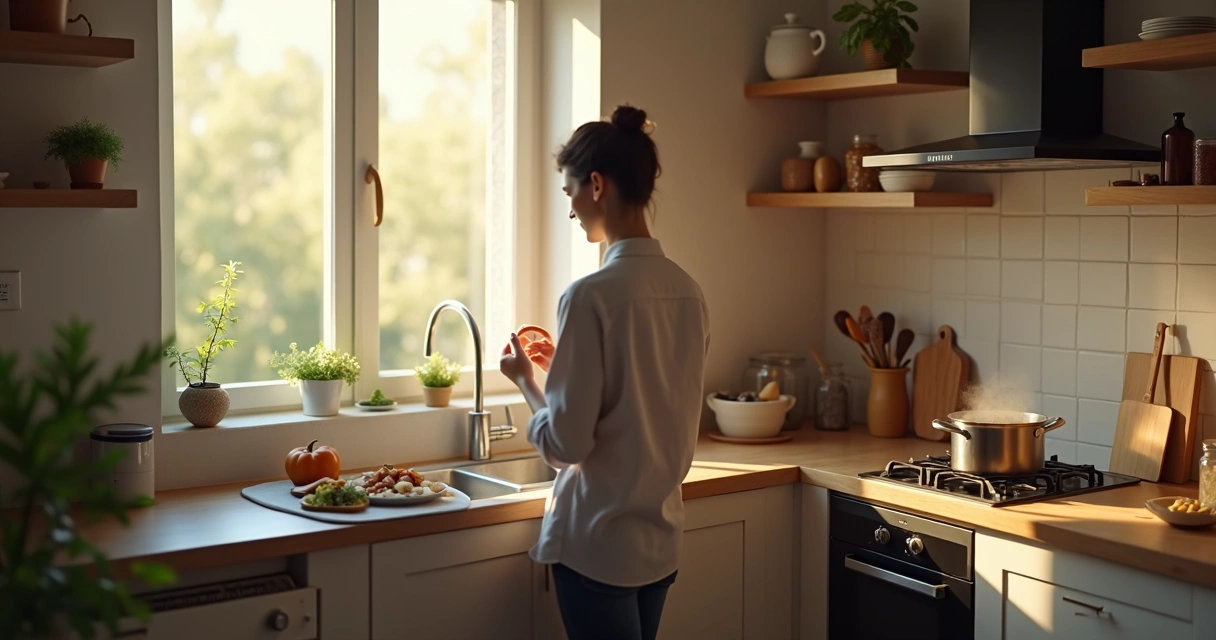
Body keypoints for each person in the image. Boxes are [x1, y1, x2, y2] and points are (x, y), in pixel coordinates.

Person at [499, 104, 710, 640]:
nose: (571, 211)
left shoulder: (590, 296)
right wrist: (562, 369)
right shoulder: (689, 292)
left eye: (570, 192)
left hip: (597, 547)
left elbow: (565, 446)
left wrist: (526, 379)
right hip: (660, 544)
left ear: (596, 185)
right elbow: (645, 395)